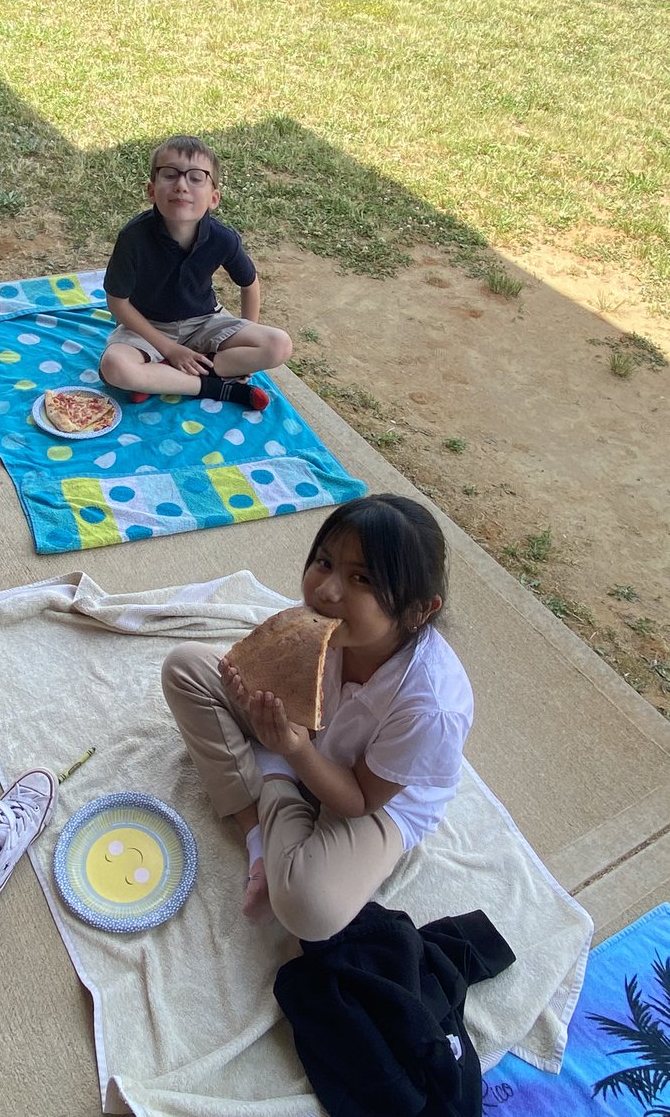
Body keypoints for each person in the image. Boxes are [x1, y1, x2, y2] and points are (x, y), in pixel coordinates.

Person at [161, 494, 474, 942]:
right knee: (185, 665)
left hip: (376, 796)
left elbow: (360, 799)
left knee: (311, 909)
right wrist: (251, 697)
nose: (327, 591)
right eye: (324, 562)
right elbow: (290, 700)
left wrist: (291, 752)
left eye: (362, 578)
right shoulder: (324, 625)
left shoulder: (431, 707)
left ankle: (272, 775)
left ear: (418, 610)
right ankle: (256, 839)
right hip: (307, 737)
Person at [100, 135, 292, 410]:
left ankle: (163, 377)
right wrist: (169, 349)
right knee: (115, 366)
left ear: (214, 198)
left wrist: (249, 329)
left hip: (204, 322)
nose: (181, 185)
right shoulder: (133, 237)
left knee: (278, 345)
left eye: (196, 178)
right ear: (151, 190)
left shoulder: (223, 238)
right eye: (169, 175)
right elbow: (117, 302)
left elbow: (249, 283)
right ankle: (214, 385)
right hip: (147, 327)